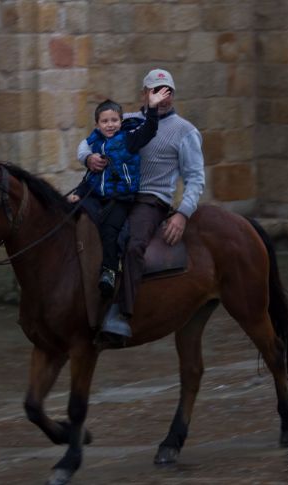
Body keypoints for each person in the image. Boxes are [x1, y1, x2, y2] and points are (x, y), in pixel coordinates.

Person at [79, 68, 205, 346]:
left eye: (167, 92)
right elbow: (93, 139)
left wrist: (182, 214)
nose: (163, 98)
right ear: (144, 94)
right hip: (114, 194)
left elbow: (195, 178)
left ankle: (120, 314)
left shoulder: (185, 132)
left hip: (151, 199)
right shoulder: (126, 122)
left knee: (134, 244)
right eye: (156, 91)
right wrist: (88, 159)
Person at [70, 89, 171, 297]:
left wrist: (152, 107)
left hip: (121, 197)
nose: (110, 125)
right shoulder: (94, 141)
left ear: (120, 120)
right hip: (95, 192)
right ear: (97, 124)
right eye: (105, 121)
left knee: (110, 228)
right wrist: (80, 190)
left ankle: (109, 270)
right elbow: (88, 166)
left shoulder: (128, 139)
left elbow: (150, 129)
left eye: (114, 120)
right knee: (73, 213)